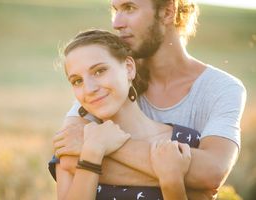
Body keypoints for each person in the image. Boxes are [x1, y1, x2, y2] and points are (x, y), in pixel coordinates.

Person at [52, 0, 246, 199]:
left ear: (168, 12)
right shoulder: (109, 83)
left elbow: (209, 175)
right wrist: (183, 178)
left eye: (129, 8)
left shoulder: (222, 88)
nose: (116, 23)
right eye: (115, 10)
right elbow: (68, 160)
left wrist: (101, 147)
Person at [50, 29, 200, 200]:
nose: (89, 89)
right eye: (77, 81)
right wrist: (92, 151)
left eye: (99, 71)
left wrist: (171, 182)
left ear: (129, 68)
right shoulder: (71, 146)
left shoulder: (184, 143)